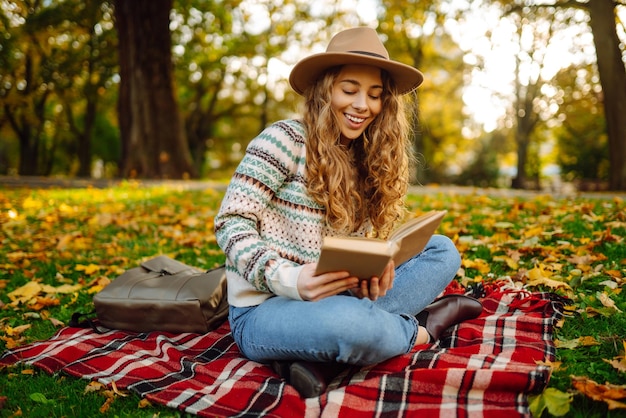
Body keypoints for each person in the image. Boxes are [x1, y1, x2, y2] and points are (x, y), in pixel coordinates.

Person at [214, 27, 482, 398]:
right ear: (325, 90)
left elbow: (351, 250)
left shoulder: (368, 159)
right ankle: (422, 328)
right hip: (265, 308)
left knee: (442, 250)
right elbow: (231, 223)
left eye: (374, 95)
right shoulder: (283, 140)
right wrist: (291, 279)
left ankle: (315, 357)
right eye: (349, 89)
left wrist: (372, 273)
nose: (362, 105)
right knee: (348, 323)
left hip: (338, 297)